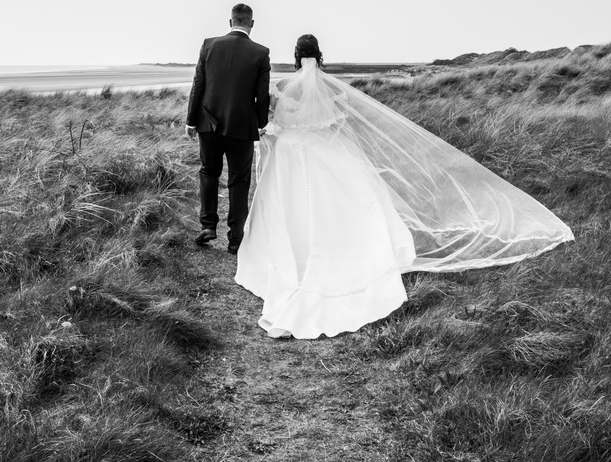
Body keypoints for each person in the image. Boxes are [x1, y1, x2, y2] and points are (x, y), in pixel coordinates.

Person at [235, 34, 574, 339]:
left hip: (293, 155)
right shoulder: (333, 88)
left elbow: (273, 121)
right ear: (319, 55)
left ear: (296, 56)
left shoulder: (282, 87)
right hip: (322, 152)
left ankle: (291, 251)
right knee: (345, 201)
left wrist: (276, 134)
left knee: (291, 205)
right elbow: (338, 122)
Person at [186, 4, 271, 254]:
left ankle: (208, 225)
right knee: (239, 181)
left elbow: (198, 84)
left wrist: (191, 120)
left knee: (208, 172)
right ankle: (235, 239)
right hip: (241, 127)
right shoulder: (260, 52)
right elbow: (262, 96)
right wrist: (260, 124)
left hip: (208, 123)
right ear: (251, 24)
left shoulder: (209, 45)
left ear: (230, 21)